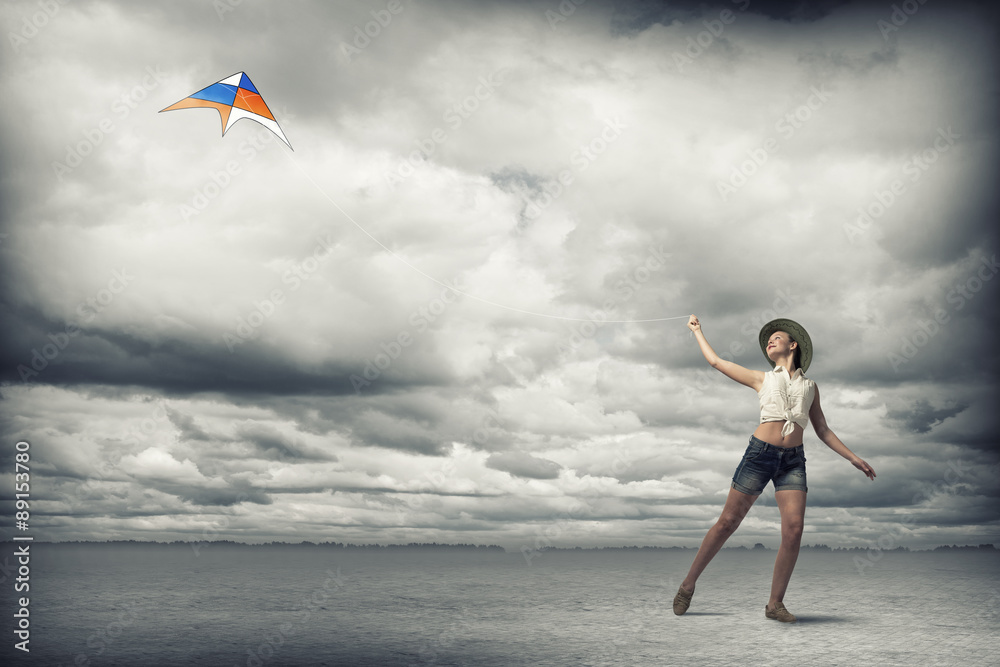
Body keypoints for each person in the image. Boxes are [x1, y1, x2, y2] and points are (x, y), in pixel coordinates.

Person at [672, 315, 876, 623]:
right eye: (768, 340)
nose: (770, 341)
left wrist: (853, 457)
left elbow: (822, 429)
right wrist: (697, 331)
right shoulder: (761, 378)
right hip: (760, 454)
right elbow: (715, 361)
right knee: (728, 522)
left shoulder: (810, 387)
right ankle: (688, 584)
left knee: (794, 531)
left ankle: (774, 604)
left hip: (793, 460)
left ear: (792, 345)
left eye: (776, 337)